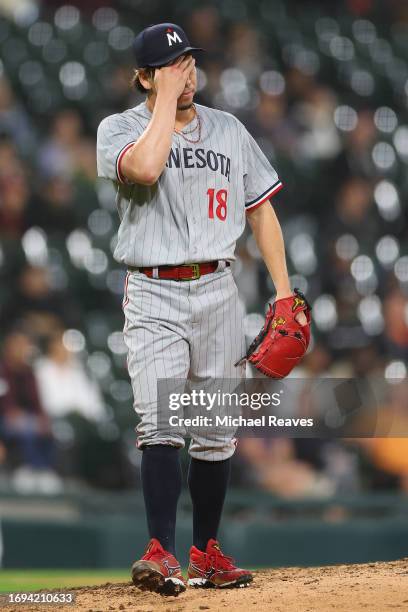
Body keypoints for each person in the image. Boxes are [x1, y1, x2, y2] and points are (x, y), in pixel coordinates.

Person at [97, 22, 305, 595]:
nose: (185, 71)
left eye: (187, 60)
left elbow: (261, 211)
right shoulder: (118, 129)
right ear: (142, 76)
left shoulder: (230, 130)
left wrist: (284, 290)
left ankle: (205, 552)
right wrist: (163, 98)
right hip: (154, 289)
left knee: (216, 432)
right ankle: (160, 551)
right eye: (170, 65)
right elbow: (143, 168)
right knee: (161, 420)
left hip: (218, 287)